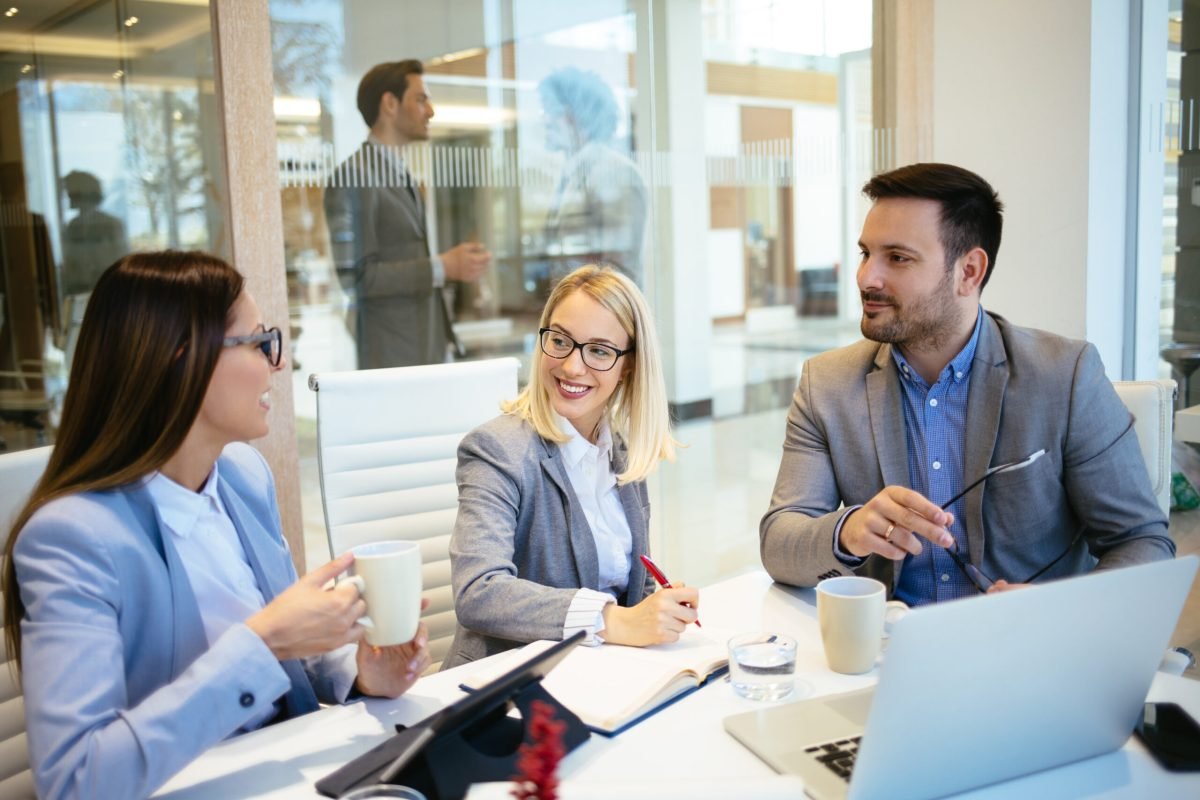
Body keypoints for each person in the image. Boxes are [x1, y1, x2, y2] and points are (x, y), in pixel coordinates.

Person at [2, 251, 431, 800]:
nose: (278, 363)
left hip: (293, 775)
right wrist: (264, 641)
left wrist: (361, 671)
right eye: (258, 342)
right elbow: (77, 780)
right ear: (184, 361)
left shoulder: (243, 477)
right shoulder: (72, 538)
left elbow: (287, 645)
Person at [760, 163, 1174, 603]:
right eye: (866, 253)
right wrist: (849, 531)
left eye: (897, 258)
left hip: (1027, 650)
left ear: (969, 272)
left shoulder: (1065, 375)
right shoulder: (827, 385)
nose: (867, 277)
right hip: (887, 650)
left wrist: (1059, 609)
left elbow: (1142, 543)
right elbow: (779, 544)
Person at [443, 265, 689, 669]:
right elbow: (479, 592)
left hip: (596, 673)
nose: (572, 367)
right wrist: (613, 620)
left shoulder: (622, 454)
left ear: (629, 365)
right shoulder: (495, 450)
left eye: (599, 350)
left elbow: (633, 584)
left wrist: (659, 608)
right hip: (508, 683)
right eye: (560, 340)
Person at [324, 59, 491, 368]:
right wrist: (442, 266)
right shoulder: (354, 177)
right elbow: (357, 278)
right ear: (390, 103)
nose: (431, 111)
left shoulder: (402, 176)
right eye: (420, 99)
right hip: (391, 360)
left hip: (425, 352)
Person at [539, 67, 648, 287]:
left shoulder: (615, 174)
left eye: (552, 111)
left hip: (599, 316)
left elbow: (619, 271)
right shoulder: (572, 174)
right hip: (573, 312)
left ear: (576, 117)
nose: (546, 121)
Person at [60, 170, 128, 297]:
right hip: (78, 293)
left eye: (71, 192)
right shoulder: (72, 226)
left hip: (108, 290)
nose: (68, 196)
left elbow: (120, 260)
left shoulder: (110, 224)